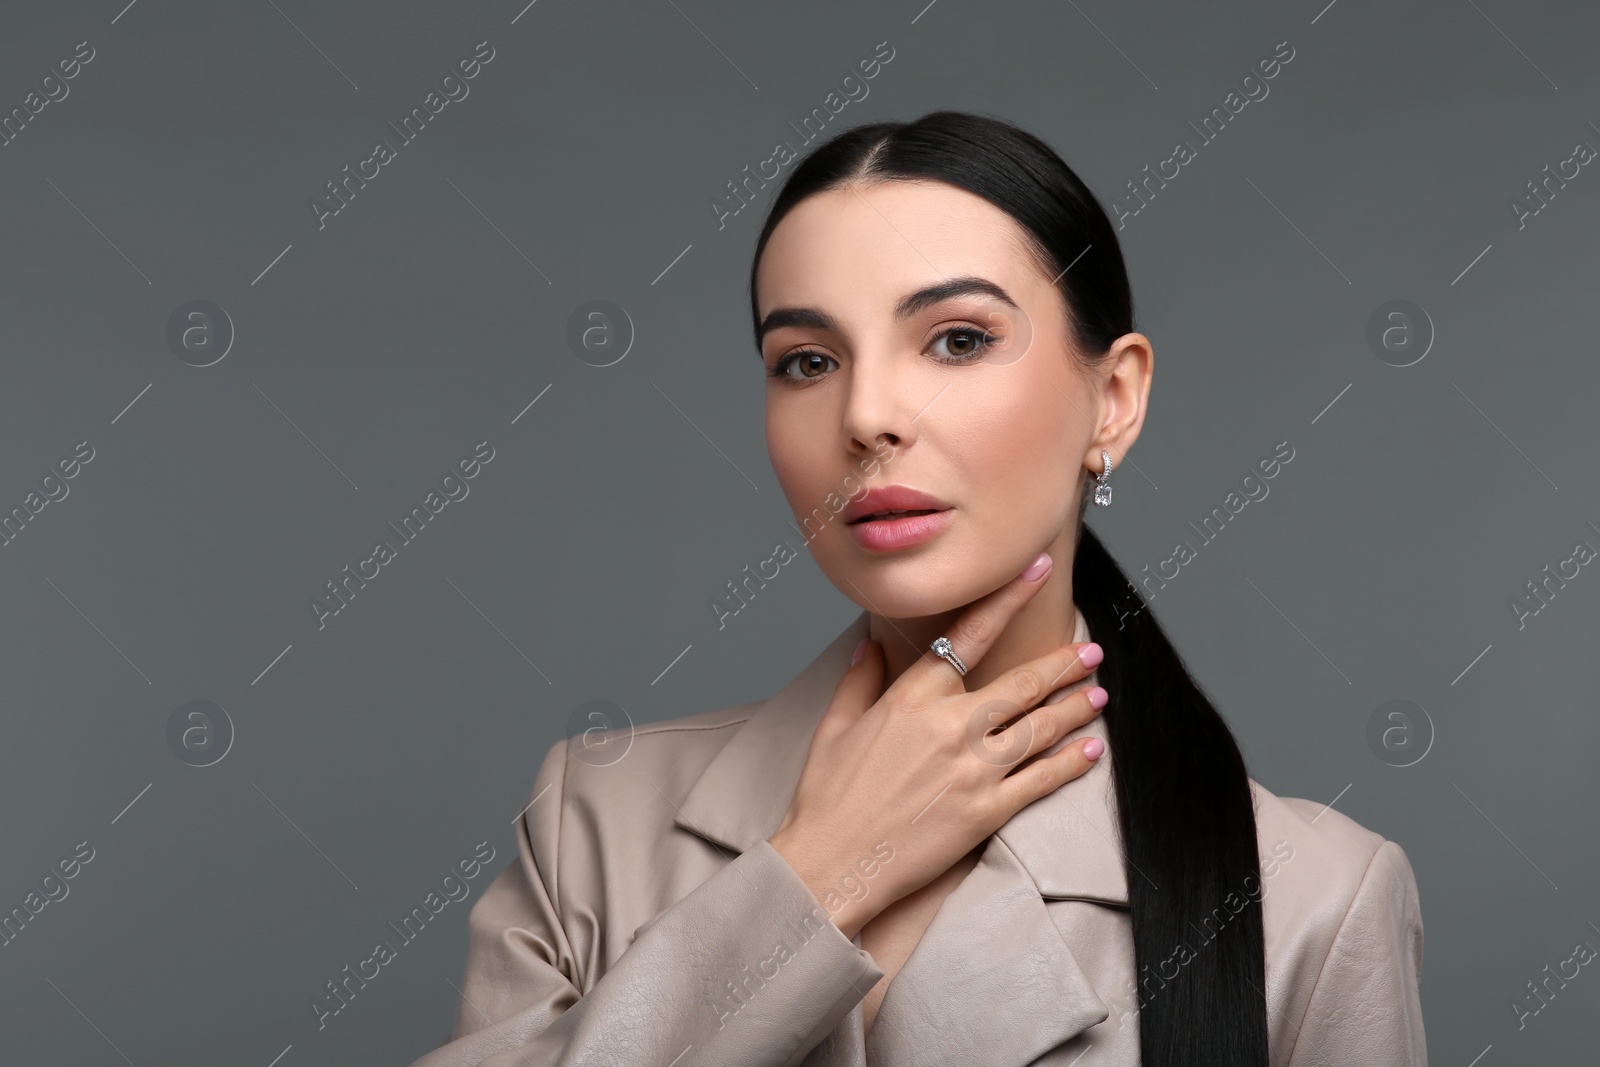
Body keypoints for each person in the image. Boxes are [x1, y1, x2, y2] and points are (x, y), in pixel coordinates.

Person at [408, 110, 1426, 1067]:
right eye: (806, 360)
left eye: (956, 339)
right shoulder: (596, 818)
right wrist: (816, 875)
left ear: (1111, 400)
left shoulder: (1312, 897)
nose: (867, 413)